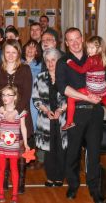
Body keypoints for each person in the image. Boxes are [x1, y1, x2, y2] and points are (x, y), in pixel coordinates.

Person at [56, 27, 106, 202]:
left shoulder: (95, 57)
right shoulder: (63, 62)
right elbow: (63, 87)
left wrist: (100, 95)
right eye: (70, 40)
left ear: (82, 38)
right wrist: (86, 96)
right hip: (76, 112)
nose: (74, 42)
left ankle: (95, 189)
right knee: (72, 152)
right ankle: (73, 185)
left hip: (95, 112)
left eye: (77, 38)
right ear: (66, 43)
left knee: (94, 152)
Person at [0, 39, 33, 194]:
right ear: (3, 53)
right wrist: (2, 110)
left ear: (18, 54)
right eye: (7, 52)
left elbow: (27, 93)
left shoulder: (25, 69)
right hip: (2, 115)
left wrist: (15, 112)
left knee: (20, 150)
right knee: (4, 147)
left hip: (21, 114)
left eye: (13, 52)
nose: (10, 55)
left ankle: (20, 181)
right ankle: (5, 178)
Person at [62, 36, 106, 130]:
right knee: (103, 99)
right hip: (102, 88)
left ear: (99, 49)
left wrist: (70, 63)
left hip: (92, 90)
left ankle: (69, 122)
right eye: (88, 47)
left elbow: (81, 70)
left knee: (71, 98)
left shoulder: (91, 59)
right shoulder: (101, 58)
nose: (89, 50)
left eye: (92, 48)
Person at [32, 47, 67, 188]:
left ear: (58, 61)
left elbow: (70, 98)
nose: (51, 63)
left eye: (53, 60)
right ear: (45, 62)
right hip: (46, 119)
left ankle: (59, 177)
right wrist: (46, 111)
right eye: (48, 60)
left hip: (62, 118)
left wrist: (61, 109)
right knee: (49, 150)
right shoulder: (40, 78)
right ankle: (50, 177)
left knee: (61, 149)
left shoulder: (65, 76)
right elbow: (36, 99)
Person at [0, 85, 29, 203]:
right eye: (3, 95)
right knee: (1, 168)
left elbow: (23, 128)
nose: (5, 97)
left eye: (8, 95)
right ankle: (0, 193)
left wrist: (25, 143)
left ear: (15, 97)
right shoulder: (1, 111)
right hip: (2, 143)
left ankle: (14, 195)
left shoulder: (20, 112)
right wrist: (3, 135)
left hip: (14, 145)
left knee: (14, 168)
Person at [22, 39, 42, 132]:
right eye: (28, 46)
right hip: (19, 99)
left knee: (33, 125)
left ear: (37, 51)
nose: (30, 48)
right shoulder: (17, 63)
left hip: (33, 100)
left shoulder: (41, 66)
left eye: (33, 47)